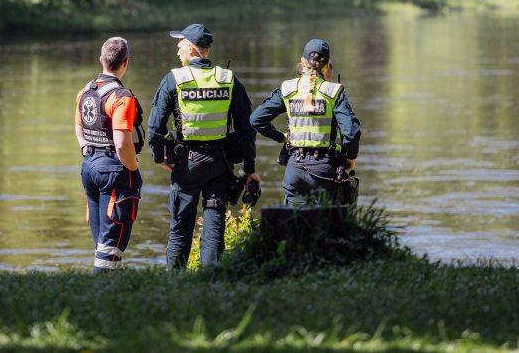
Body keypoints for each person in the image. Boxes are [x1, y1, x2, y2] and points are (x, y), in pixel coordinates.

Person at [147, 23, 260, 269]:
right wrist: (249, 168)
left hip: (186, 165)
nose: (177, 48)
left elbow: (155, 128)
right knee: (214, 230)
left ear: (190, 47)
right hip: (219, 165)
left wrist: (158, 157)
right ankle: (210, 282)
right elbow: (246, 131)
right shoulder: (228, 80)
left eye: (180, 43)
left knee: (180, 230)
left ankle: (174, 286)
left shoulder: (174, 79)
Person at [250, 38, 361, 206]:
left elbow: (256, 120)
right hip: (324, 169)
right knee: (324, 227)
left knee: (295, 226)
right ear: (327, 65)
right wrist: (350, 158)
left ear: (302, 63)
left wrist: (281, 137)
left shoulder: (288, 89)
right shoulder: (333, 91)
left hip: (294, 168)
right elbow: (351, 132)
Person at [75, 37, 145, 273]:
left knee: (101, 247)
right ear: (126, 62)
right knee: (110, 250)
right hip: (114, 171)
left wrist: (86, 149)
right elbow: (122, 143)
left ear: (101, 60)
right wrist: (133, 170)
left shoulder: (85, 91)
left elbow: (78, 126)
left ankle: (102, 293)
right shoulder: (121, 97)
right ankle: (96, 296)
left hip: (89, 167)